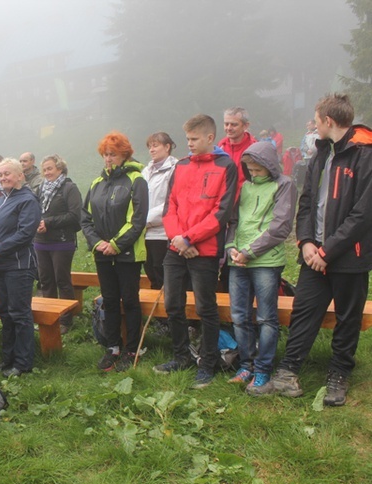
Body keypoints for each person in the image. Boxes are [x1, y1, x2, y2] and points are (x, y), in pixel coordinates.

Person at [254, 94, 372, 406]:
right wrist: (306, 242)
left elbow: (363, 214)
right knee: (304, 312)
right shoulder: (321, 154)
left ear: (328, 121)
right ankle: (287, 372)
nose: (315, 124)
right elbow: (306, 202)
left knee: (348, 319)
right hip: (313, 254)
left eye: (316, 119)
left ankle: (338, 375)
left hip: (350, 256)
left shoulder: (365, 154)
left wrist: (327, 251)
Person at [154, 114, 237, 389]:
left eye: (194, 139)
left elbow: (220, 213)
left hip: (205, 248)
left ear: (210, 138)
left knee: (205, 307)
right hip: (175, 247)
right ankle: (181, 356)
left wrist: (190, 238)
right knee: (172, 305)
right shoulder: (181, 166)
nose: (188, 144)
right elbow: (170, 207)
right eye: (187, 139)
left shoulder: (226, 166)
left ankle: (208, 362)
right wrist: (178, 238)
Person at [224, 142, 297, 392]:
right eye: (250, 169)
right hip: (239, 261)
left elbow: (280, 227)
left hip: (265, 261)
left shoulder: (284, 184)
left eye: (258, 169)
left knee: (266, 318)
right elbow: (233, 221)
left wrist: (250, 252)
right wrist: (231, 247)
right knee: (239, 317)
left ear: (269, 166)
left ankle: (264, 370)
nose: (253, 173)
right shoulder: (244, 187)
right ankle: (246, 366)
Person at [81, 132, 148, 372]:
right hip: (102, 252)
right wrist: (97, 243)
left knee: (129, 300)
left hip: (127, 253)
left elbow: (138, 220)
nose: (108, 159)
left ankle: (133, 348)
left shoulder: (137, 180)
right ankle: (112, 347)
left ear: (124, 155)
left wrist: (116, 244)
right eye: (105, 154)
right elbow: (85, 218)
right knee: (109, 300)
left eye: (113, 154)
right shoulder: (96, 183)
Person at [0, 157, 41, 377]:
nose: (3, 177)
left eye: (8, 173)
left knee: (19, 313)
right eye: (1, 174)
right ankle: (8, 358)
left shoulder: (27, 200)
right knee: (5, 313)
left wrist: (0, 248)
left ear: (20, 176)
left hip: (18, 266)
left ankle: (23, 363)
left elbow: (26, 233)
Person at [34, 154, 82, 335]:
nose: (47, 173)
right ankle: (50, 316)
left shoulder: (69, 188)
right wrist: (37, 222)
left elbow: (75, 215)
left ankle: (66, 319)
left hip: (62, 242)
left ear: (60, 169)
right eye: (44, 169)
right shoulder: (40, 189)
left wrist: (49, 222)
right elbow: (35, 210)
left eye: (50, 169)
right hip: (41, 242)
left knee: (62, 280)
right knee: (46, 281)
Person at [142, 132, 178, 290]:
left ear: (167, 146)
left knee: (162, 271)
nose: (151, 149)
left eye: (155, 145)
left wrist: (144, 220)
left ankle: (167, 312)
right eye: (150, 146)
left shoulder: (175, 168)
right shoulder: (145, 171)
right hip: (144, 233)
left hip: (163, 232)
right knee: (150, 270)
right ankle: (156, 313)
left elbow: (170, 201)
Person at [218, 107, 256, 186]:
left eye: (234, 125)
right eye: (226, 124)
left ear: (245, 126)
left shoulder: (254, 148)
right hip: (226, 195)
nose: (229, 128)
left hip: (246, 195)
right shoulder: (221, 146)